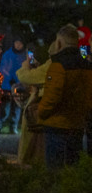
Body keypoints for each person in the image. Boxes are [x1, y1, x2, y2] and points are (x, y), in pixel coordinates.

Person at [37, 24, 92, 168]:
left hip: (57, 126)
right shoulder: (87, 66)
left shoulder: (58, 66)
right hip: (77, 125)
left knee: (55, 173)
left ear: (59, 42)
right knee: (72, 174)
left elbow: (52, 96)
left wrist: (40, 113)